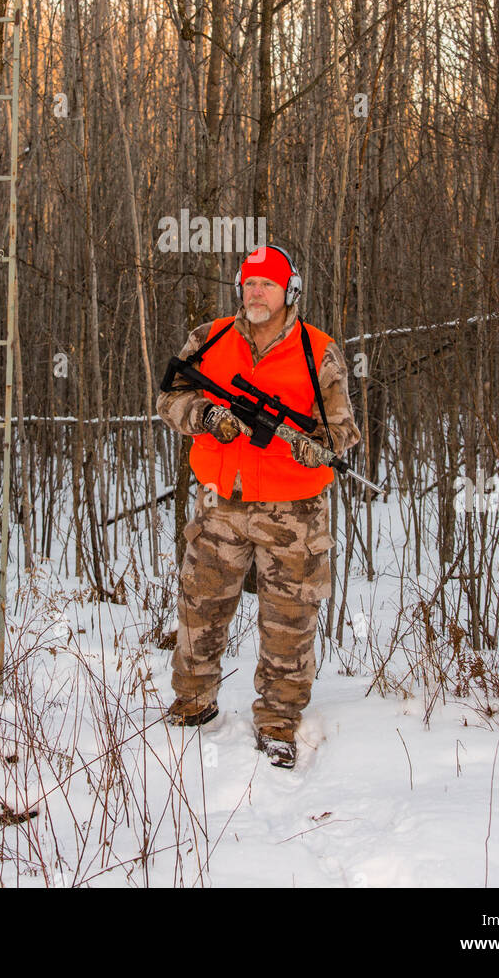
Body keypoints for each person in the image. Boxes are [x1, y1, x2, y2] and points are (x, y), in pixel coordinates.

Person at [156, 244, 360, 768]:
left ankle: (277, 724)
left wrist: (319, 446)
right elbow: (169, 398)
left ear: (289, 290)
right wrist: (205, 416)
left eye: (267, 284)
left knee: (289, 623)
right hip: (220, 503)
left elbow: (344, 432)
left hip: (294, 513)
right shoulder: (211, 338)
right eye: (249, 283)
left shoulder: (321, 351)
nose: (255, 293)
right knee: (200, 608)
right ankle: (191, 705)